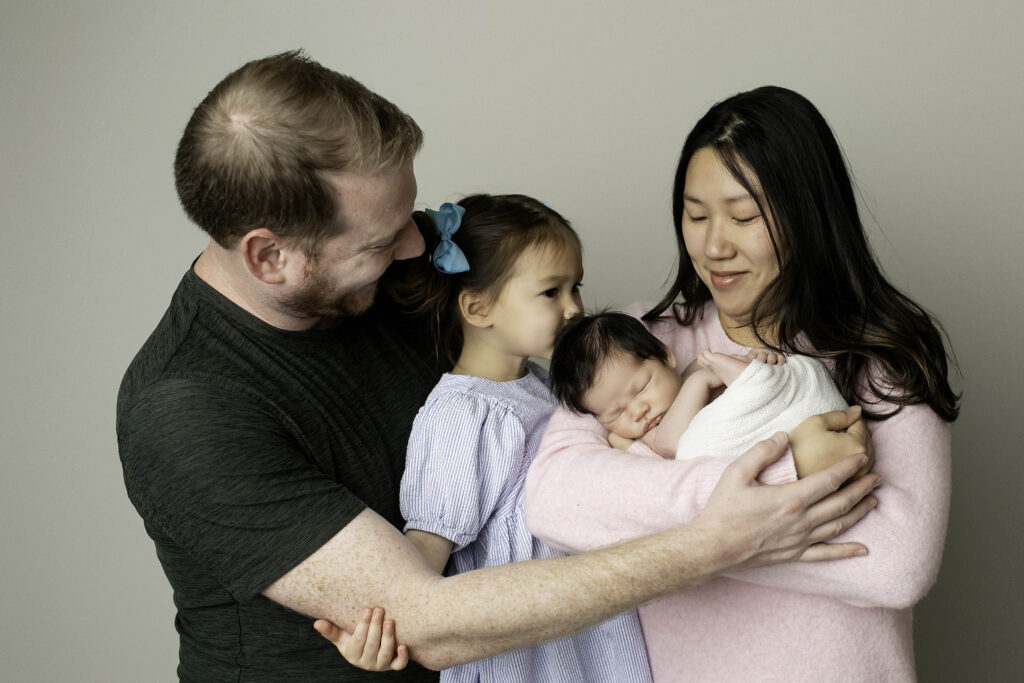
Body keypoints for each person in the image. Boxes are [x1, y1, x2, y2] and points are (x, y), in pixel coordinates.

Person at [116, 52, 878, 682]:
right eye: (382, 242)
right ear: (270, 255)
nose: (421, 249)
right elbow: (427, 618)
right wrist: (715, 539)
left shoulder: (402, 281)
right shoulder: (187, 408)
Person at [523, 86, 959, 682]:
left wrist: (669, 536)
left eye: (743, 216)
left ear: (806, 213)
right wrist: (784, 478)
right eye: (695, 215)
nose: (712, 245)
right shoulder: (636, 343)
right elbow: (556, 499)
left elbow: (896, 563)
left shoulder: (882, 357)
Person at [335, 195, 653, 681]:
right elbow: (427, 543)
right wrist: (380, 625)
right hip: (526, 656)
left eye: (576, 288)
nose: (574, 309)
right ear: (478, 307)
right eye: (551, 292)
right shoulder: (464, 414)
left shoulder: (548, 385)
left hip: (589, 627)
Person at [548, 311, 847, 463]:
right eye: (615, 414)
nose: (638, 411)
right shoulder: (647, 437)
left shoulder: (699, 366)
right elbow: (671, 445)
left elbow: (753, 383)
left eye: (641, 388)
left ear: (667, 357)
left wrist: (757, 361)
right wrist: (700, 381)